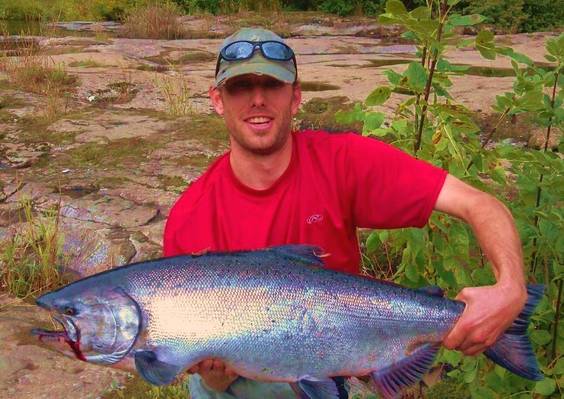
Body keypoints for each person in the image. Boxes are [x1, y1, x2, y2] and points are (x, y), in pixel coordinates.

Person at [163, 28, 527, 399]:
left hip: (341, 357)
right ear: (218, 100)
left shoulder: (342, 162)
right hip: (237, 384)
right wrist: (215, 377)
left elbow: (481, 204)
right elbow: (192, 361)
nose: (258, 100)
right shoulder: (191, 217)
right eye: (241, 87)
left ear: (296, 97)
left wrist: (511, 287)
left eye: (272, 85)